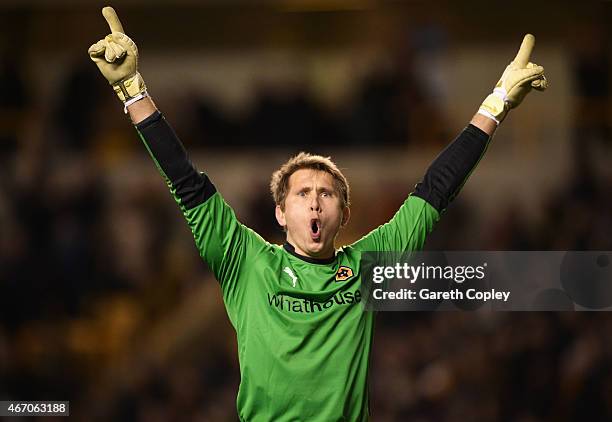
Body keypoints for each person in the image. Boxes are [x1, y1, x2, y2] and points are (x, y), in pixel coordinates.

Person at [89, 6, 547, 421]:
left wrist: (497, 104)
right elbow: (186, 182)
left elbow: (436, 190)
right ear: (280, 213)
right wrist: (132, 90)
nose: (314, 200)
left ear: (343, 215)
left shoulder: (369, 267)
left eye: (326, 194)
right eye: (302, 193)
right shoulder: (245, 261)